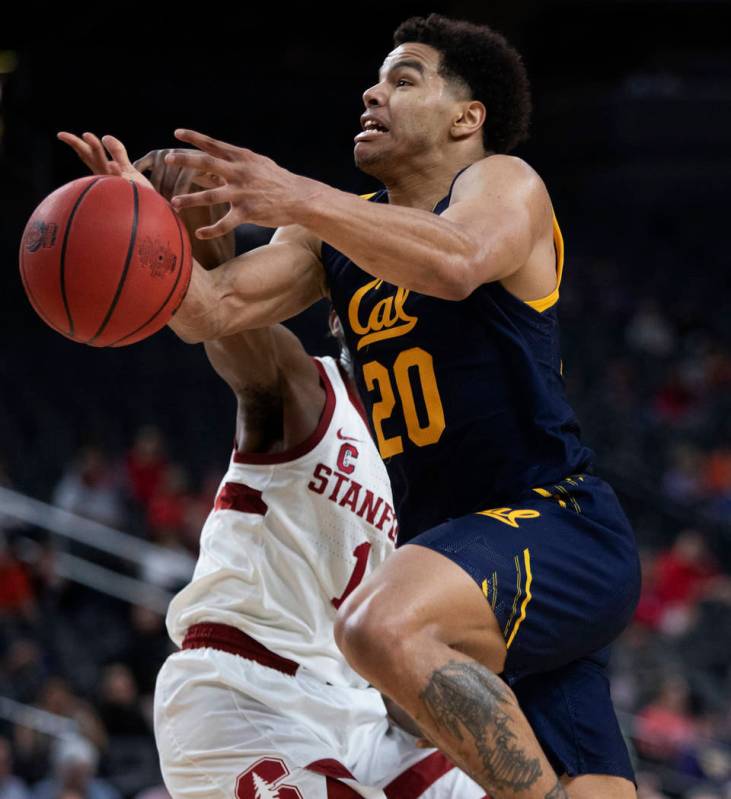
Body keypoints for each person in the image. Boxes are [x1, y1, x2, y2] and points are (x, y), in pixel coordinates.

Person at [157, 13, 643, 799]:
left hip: (555, 521)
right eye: (378, 78)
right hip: (464, 563)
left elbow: (458, 261)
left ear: (466, 117)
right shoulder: (326, 236)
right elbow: (209, 310)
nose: (371, 92)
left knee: (378, 626)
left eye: (402, 78)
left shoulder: (500, 182)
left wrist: (302, 195)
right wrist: (155, 224)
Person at [56, 130, 487, 799]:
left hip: (361, 716)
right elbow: (232, 328)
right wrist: (174, 210)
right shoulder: (307, 392)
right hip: (241, 691)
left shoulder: (437, 480)